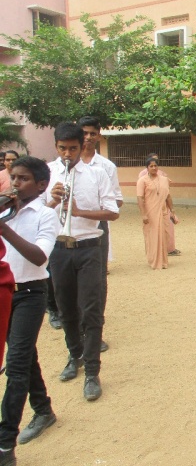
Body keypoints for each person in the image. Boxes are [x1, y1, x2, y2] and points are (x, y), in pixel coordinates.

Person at [45, 122, 119, 402]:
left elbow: (112, 212)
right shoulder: (47, 174)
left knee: (90, 310)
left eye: (73, 148)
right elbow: (35, 213)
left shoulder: (96, 173)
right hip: (58, 249)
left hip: (89, 248)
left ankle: (91, 372)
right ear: (56, 146)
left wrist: (79, 212)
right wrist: (51, 202)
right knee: (65, 309)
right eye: (62, 148)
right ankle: (74, 355)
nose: (67, 154)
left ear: (82, 146)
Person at [0, 157, 59, 464]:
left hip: (30, 294)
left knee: (16, 366)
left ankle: (4, 444)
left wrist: (4, 229)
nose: (15, 183)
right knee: (24, 357)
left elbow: (39, 257)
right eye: (13, 177)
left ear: (41, 185)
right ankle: (43, 409)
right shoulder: (5, 210)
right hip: (4, 293)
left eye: (23, 179)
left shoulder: (46, 215)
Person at [79, 116, 123, 353]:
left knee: (97, 282)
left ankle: (96, 331)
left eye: (92, 133)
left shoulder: (107, 167)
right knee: (70, 281)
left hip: (98, 228)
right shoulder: (66, 163)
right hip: (69, 230)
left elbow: (117, 202)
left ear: (99, 135)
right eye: (84, 133)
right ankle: (77, 332)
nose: (88, 137)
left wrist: (94, 206)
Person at [136, 157, 178, 270]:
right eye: (151, 166)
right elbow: (140, 198)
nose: (154, 168)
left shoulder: (164, 180)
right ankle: (153, 261)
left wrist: (172, 211)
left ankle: (163, 261)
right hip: (150, 213)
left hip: (163, 212)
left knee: (163, 236)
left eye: (155, 166)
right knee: (152, 236)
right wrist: (143, 214)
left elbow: (168, 196)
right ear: (147, 168)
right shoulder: (142, 181)